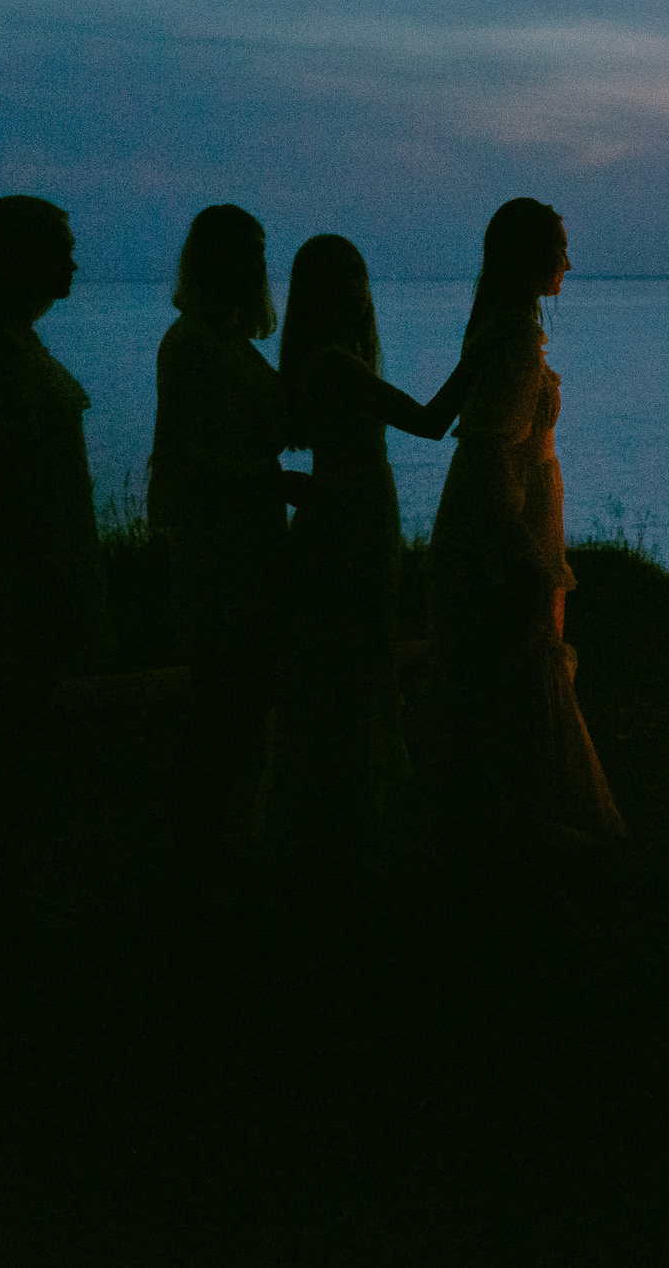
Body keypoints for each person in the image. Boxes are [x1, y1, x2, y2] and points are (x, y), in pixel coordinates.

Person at [412, 199, 625, 848]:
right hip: (506, 527)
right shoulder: (511, 345)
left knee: (504, 672)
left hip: (508, 518)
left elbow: (448, 426)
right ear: (530, 256)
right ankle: (523, 819)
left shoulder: (501, 330)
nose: (568, 260)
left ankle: (503, 814)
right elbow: (487, 453)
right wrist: (521, 551)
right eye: (558, 246)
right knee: (518, 668)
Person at [257, 233, 471, 867]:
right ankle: (356, 821)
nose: (356, 291)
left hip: (352, 520)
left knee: (354, 661)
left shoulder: (326, 360)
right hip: (351, 527)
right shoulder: (336, 363)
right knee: (358, 664)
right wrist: (478, 356)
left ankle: (342, 817)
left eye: (358, 276)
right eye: (342, 280)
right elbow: (430, 422)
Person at [148, 204, 299, 855]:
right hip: (221, 548)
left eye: (261, 250)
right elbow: (185, 454)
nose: (259, 263)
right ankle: (201, 849)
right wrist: (273, 482)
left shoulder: (228, 343)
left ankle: (223, 839)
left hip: (253, 540)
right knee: (223, 701)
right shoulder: (191, 344)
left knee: (244, 698)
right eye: (247, 250)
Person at [0, 195, 109, 702]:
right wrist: (68, 606)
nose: (73, 263)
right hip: (29, 613)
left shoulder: (16, 348)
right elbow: (15, 508)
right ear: (22, 258)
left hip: (40, 600)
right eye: (61, 250)